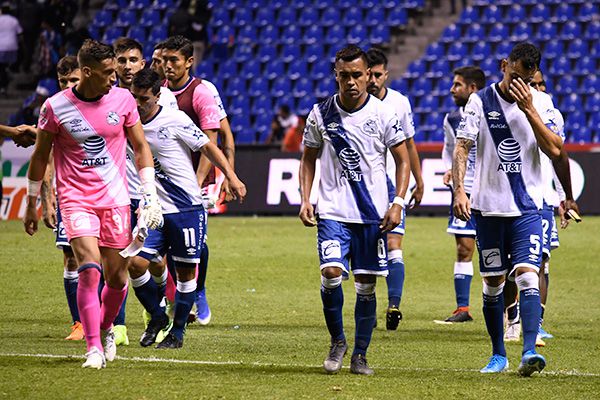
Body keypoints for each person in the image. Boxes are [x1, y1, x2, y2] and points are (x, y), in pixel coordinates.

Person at [23, 39, 162, 369]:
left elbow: (141, 147)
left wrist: (149, 194)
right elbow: (41, 155)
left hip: (114, 200)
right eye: (107, 73)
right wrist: (32, 202)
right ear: (86, 72)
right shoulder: (55, 107)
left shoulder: (123, 100)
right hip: (76, 200)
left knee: (117, 279)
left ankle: (104, 328)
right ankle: (93, 347)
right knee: (88, 269)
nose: (114, 78)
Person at [451, 42, 573, 376]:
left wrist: (529, 109)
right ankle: (498, 354)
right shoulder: (479, 101)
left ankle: (530, 351)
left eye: (526, 78)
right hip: (488, 209)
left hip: (528, 209)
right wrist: (459, 190)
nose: (519, 82)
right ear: (505, 64)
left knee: (528, 276)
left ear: (534, 75)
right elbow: (462, 147)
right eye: (514, 74)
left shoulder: (543, 103)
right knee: (492, 284)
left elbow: (555, 150)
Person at [299, 45, 411, 375]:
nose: (351, 82)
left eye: (357, 75)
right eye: (344, 75)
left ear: (367, 76)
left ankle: (360, 354)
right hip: (333, 212)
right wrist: (306, 198)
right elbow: (308, 158)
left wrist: (398, 202)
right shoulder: (320, 114)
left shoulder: (383, 114)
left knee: (366, 285)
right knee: (331, 275)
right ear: (336, 75)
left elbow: (403, 160)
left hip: (372, 215)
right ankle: (337, 340)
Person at [128, 68, 246, 348]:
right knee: (135, 264)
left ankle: (177, 333)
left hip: (186, 208)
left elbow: (207, 146)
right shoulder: (127, 122)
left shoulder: (175, 119)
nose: (137, 104)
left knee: (184, 274)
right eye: (134, 97)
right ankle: (157, 316)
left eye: (143, 99)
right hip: (153, 209)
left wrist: (230, 175)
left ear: (158, 96)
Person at [504, 70, 580, 344]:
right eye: (531, 83)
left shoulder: (551, 113)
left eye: (539, 83)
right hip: (514, 198)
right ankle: (511, 321)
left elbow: (557, 156)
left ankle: (535, 324)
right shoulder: (508, 111)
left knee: (541, 262)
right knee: (511, 266)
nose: (535, 88)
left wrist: (563, 198)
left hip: (543, 199)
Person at [161, 35, 229, 326]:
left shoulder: (200, 92)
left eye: (173, 60)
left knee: (195, 239)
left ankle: (198, 291)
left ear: (189, 62)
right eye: (163, 60)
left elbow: (208, 141)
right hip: (163, 179)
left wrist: (197, 182)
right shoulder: (157, 91)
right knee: (167, 240)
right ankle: (176, 295)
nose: (167, 66)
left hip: (194, 179)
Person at [366, 48, 425, 330]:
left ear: (385, 75)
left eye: (378, 75)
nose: (374, 80)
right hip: (364, 187)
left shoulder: (399, 103)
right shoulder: (353, 104)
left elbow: (410, 144)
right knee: (367, 248)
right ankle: (366, 307)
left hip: (394, 185)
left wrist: (419, 179)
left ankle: (394, 304)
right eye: (370, 74)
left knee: (393, 244)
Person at [39, 55, 86, 341]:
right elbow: (44, 156)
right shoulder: (54, 108)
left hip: (104, 193)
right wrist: (46, 198)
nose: (68, 85)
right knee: (71, 257)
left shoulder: (104, 103)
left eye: (73, 80)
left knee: (108, 261)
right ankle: (78, 323)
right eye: (63, 81)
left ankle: (107, 318)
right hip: (69, 194)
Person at [436, 66, 486, 324]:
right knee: (464, 247)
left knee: (497, 250)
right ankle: (462, 309)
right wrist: (449, 169)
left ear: (472, 88)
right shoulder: (451, 119)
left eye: (457, 85)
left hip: (489, 189)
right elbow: (449, 149)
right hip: (463, 189)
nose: (452, 89)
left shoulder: (491, 113)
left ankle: (506, 309)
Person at [0, 2, 22, 96]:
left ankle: (3, 85)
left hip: (1, 47)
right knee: (6, 66)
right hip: (12, 46)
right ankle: (7, 75)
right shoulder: (14, 20)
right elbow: (20, 32)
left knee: (1, 67)